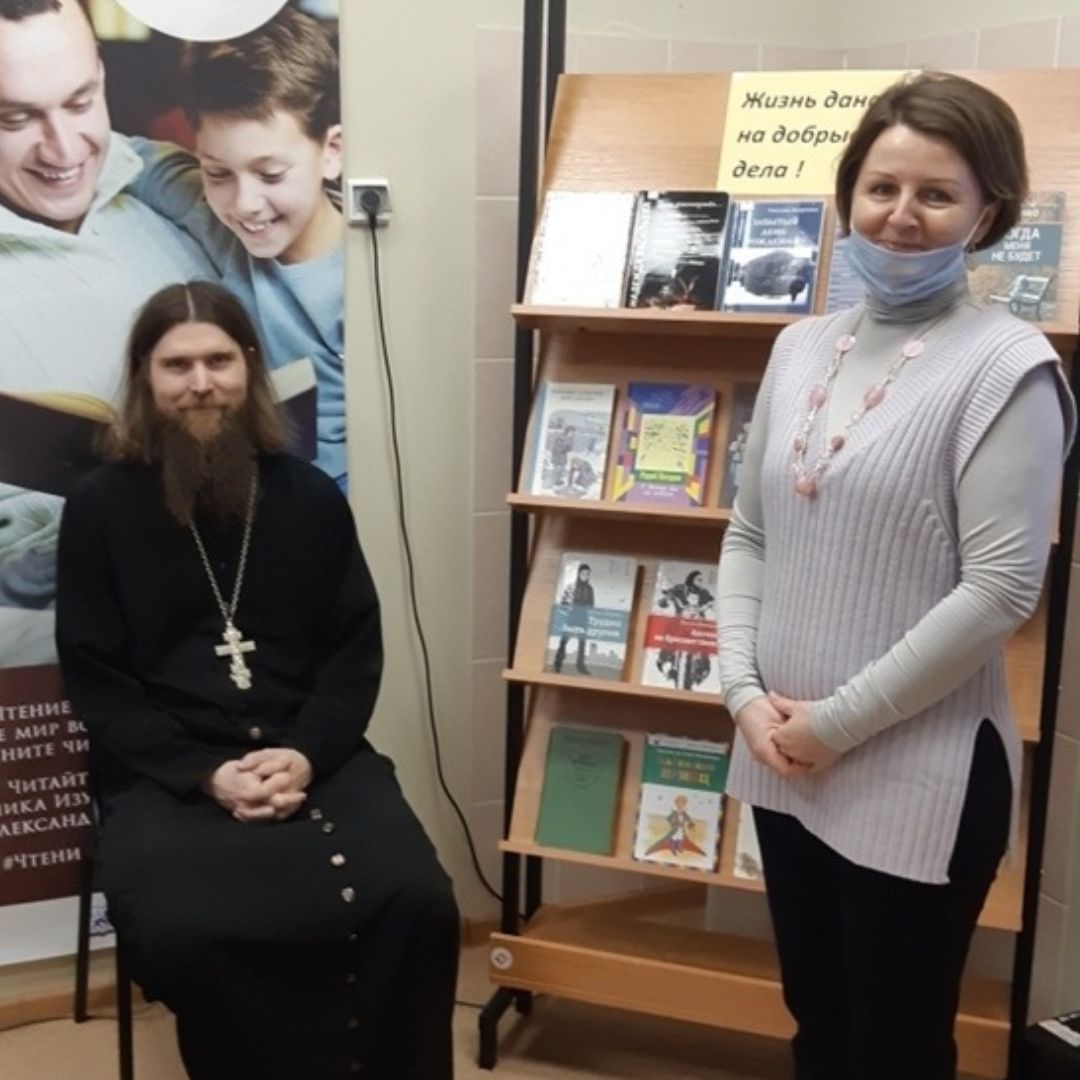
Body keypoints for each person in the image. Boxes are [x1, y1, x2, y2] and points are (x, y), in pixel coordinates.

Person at [716, 71, 1075, 1080]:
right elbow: (749, 532)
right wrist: (743, 695)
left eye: (937, 194)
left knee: (895, 1047)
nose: (902, 215)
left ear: (987, 213)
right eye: (881, 188)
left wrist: (833, 725)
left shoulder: (1010, 369)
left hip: (921, 773)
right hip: (784, 756)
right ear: (849, 197)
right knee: (818, 1022)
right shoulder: (799, 347)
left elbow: (1000, 591)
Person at [55, 281, 458, 1080]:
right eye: (177, 366)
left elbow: (352, 652)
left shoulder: (308, 496)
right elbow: (97, 679)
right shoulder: (99, 507)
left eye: (219, 361)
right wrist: (206, 774)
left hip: (311, 754)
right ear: (145, 377)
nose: (200, 383)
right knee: (192, 930)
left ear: (249, 369)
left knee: (416, 899)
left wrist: (306, 754)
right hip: (165, 773)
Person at [0, 0, 215, 667]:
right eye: (16, 119)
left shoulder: (181, 198)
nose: (64, 150)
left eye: (80, 102)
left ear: (102, 75)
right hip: (67, 669)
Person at [126, 5, 348, 489]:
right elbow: (126, 157)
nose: (245, 205)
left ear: (332, 152)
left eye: (271, 174)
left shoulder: (359, 286)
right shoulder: (212, 215)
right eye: (218, 173)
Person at [552, 561, 593, 675]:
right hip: (571, 616)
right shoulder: (571, 587)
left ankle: (580, 666)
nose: (585, 576)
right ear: (578, 574)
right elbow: (564, 602)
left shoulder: (589, 589)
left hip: (583, 617)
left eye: (587, 574)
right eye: (583, 573)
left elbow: (591, 605)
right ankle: (557, 664)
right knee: (564, 641)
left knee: (582, 642)